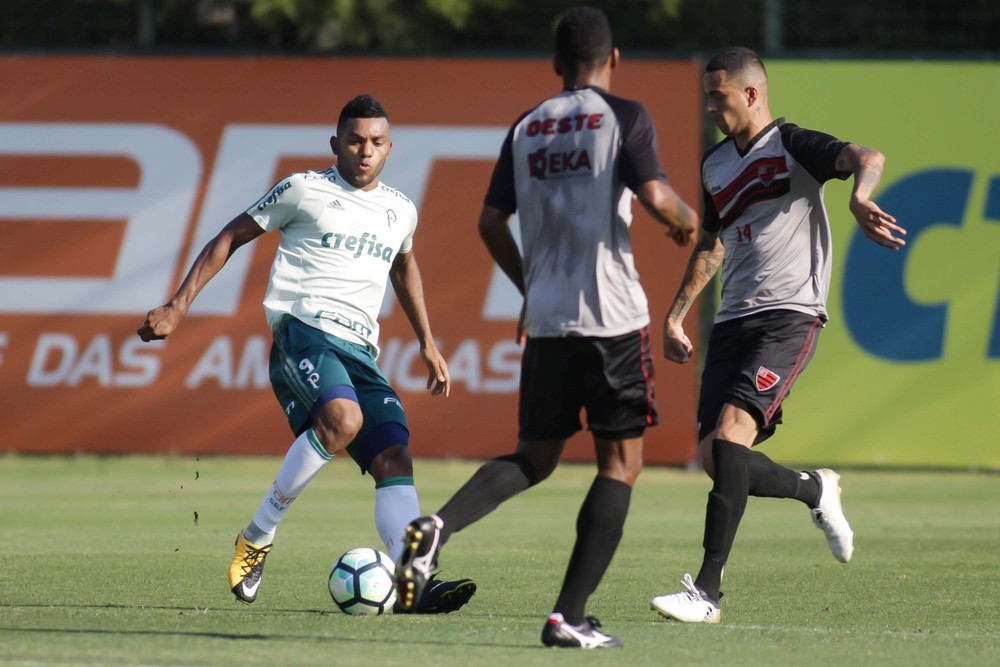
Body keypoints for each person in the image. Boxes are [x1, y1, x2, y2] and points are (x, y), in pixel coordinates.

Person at [391, 6, 698, 649]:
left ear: (555, 65)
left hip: (550, 319)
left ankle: (437, 530)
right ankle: (569, 616)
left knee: (535, 455)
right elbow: (659, 200)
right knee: (621, 464)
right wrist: (689, 223)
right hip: (612, 319)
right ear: (614, 60)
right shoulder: (624, 116)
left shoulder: (527, 126)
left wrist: (532, 289)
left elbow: (488, 223)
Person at [137, 94, 476, 614]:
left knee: (394, 456)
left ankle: (411, 582)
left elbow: (403, 267)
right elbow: (231, 233)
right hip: (304, 330)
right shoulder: (304, 189)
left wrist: (428, 342)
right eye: (356, 140)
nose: (366, 151)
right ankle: (257, 536)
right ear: (336, 143)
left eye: (377, 142)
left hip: (361, 348)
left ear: (390, 148)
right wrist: (178, 305)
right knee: (342, 420)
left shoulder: (400, 210)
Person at [651, 47, 907, 624]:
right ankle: (814, 490)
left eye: (718, 95)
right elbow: (711, 244)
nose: (710, 105)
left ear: (751, 93)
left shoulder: (791, 144)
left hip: (789, 313)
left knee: (730, 433)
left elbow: (867, 155)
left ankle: (707, 593)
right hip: (732, 319)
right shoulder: (716, 164)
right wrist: (675, 314)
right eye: (707, 96)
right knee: (717, 457)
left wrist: (860, 195)